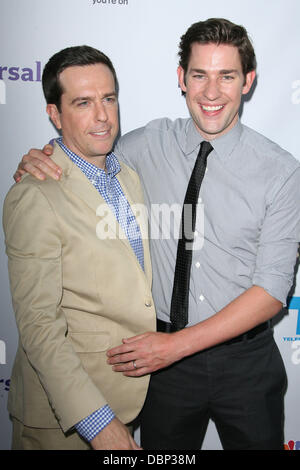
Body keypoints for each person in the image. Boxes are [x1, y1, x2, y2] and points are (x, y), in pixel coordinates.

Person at [14, 19, 300, 450]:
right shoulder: (140, 146)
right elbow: (84, 153)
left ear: (248, 81)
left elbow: (273, 289)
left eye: (227, 75)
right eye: (199, 74)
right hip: (159, 369)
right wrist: (39, 156)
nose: (211, 92)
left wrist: (175, 347)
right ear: (181, 78)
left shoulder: (281, 172)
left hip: (245, 365)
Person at [3, 45, 156, 450]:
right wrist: (98, 422)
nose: (102, 116)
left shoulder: (128, 177)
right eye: (83, 103)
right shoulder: (34, 195)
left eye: (108, 99)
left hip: (124, 397)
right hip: (65, 418)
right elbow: (39, 326)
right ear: (54, 114)